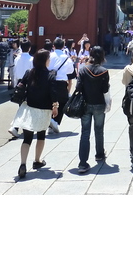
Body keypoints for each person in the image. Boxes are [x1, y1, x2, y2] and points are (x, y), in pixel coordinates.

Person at [11, 49, 60, 179]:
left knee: (27, 138)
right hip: (44, 110)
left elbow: (21, 86)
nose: (49, 60)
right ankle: (37, 160)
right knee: (41, 135)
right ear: (45, 61)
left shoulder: (29, 73)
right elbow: (53, 93)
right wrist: (55, 106)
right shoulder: (50, 75)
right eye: (48, 58)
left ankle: (22, 164)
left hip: (29, 108)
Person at [77, 46, 111, 174]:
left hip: (85, 104)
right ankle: (99, 154)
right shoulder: (103, 71)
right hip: (99, 104)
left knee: (85, 132)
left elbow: (79, 87)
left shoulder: (83, 69)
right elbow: (105, 90)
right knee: (99, 130)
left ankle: (82, 163)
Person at [8, 39, 34, 138]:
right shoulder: (32, 59)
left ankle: (18, 127)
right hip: (29, 83)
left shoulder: (17, 58)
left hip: (19, 82)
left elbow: (15, 72)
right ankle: (15, 127)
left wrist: (15, 85)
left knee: (22, 106)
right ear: (30, 48)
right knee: (27, 107)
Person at [48, 37, 74, 133]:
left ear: (53, 46)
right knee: (63, 102)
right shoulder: (66, 57)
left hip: (50, 81)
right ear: (63, 46)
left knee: (50, 102)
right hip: (61, 82)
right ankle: (55, 121)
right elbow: (70, 71)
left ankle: (50, 122)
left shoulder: (49, 55)